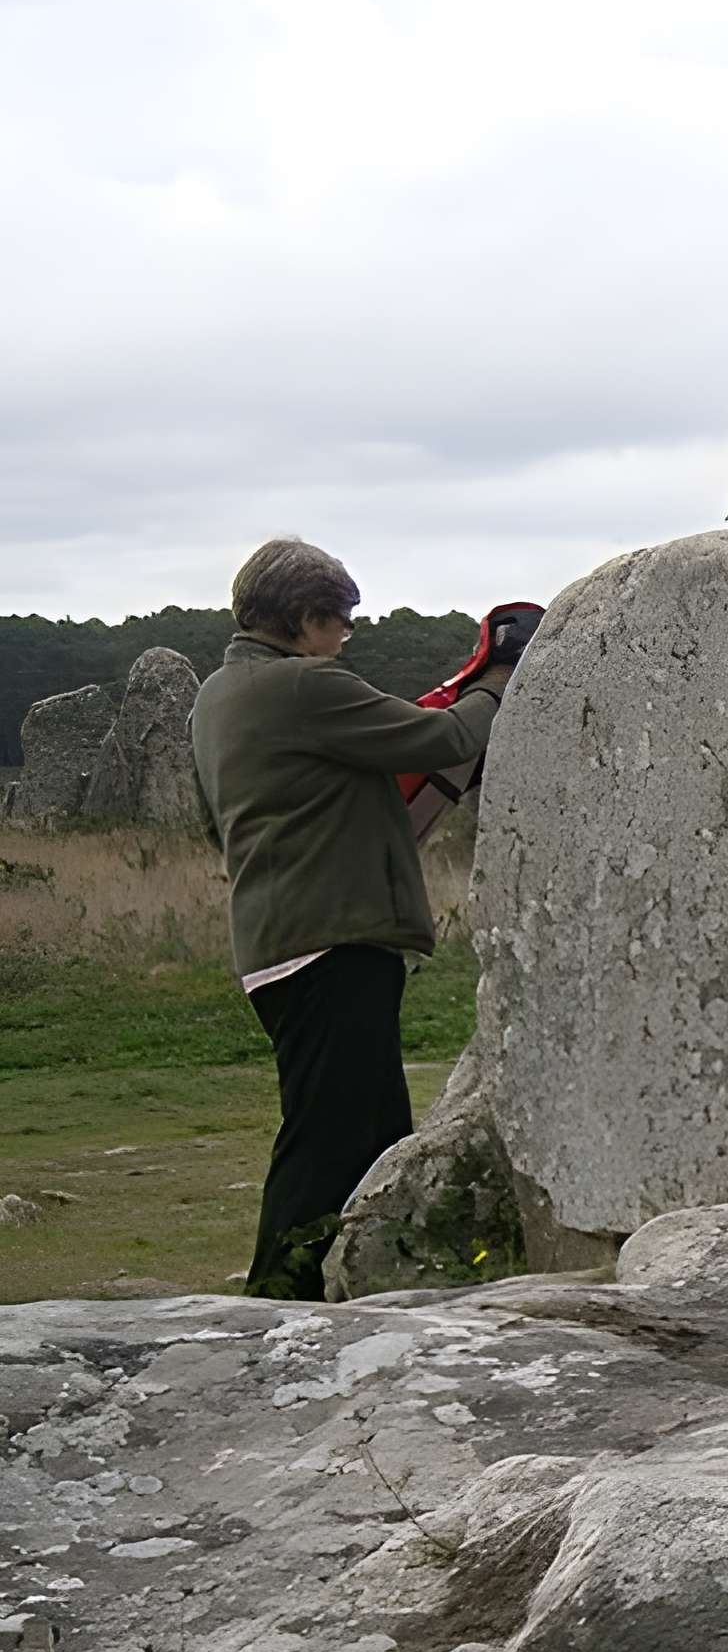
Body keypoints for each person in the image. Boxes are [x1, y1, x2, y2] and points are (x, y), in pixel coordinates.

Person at [193, 537, 514, 1297]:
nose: (343, 639)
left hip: (281, 938)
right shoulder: (300, 688)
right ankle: (278, 1301)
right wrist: (498, 677)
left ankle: (367, 1285)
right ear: (304, 620)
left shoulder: (217, 696)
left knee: (373, 1135)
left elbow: (219, 825)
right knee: (328, 1139)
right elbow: (446, 736)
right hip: (328, 940)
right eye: (339, 622)